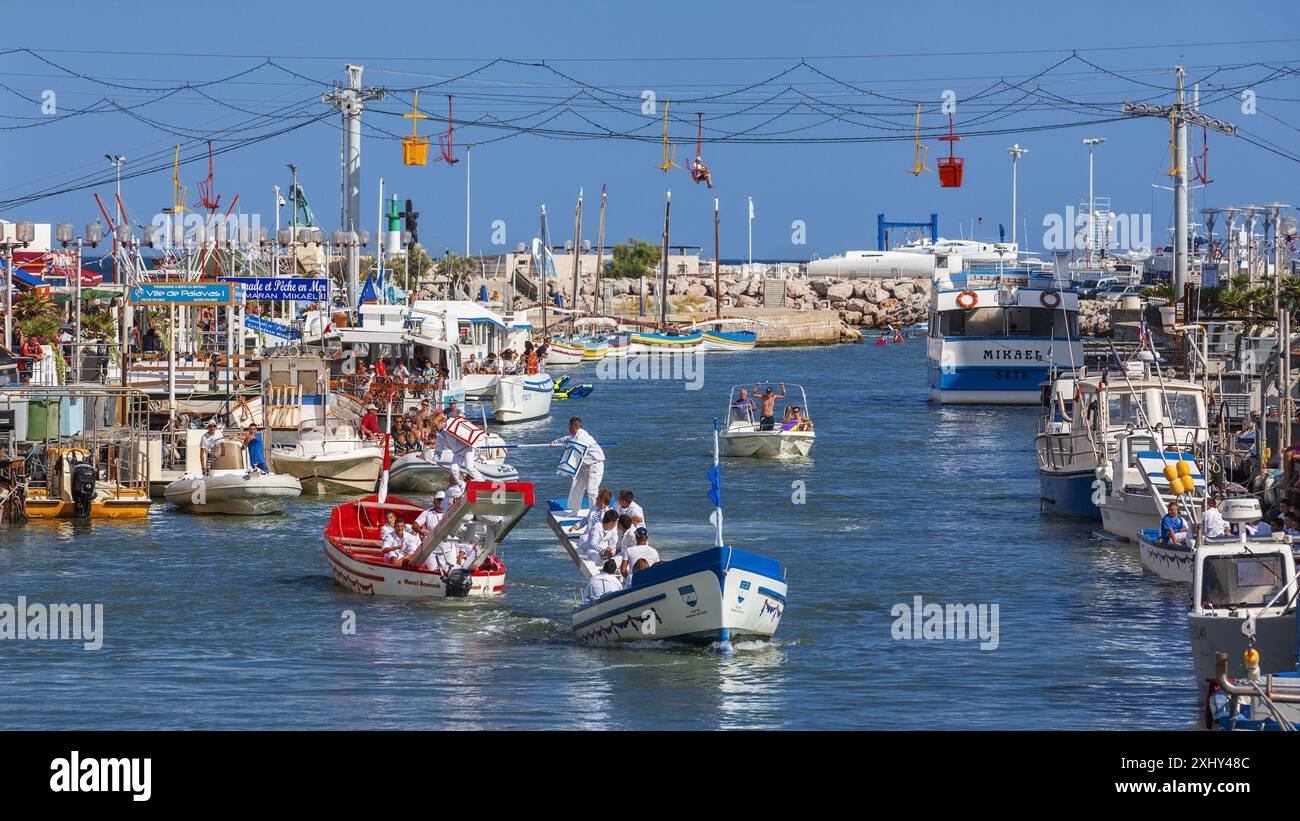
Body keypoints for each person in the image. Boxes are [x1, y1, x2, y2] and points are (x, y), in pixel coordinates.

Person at [551, 416, 605, 512]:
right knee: (576, 487)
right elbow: (567, 438)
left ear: (571, 427)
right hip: (583, 465)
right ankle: (573, 510)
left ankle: (595, 513)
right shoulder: (574, 435)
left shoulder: (582, 437)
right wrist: (556, 442)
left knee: (592, 490)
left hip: (594, 464)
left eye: (568, 427)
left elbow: (573, 449)